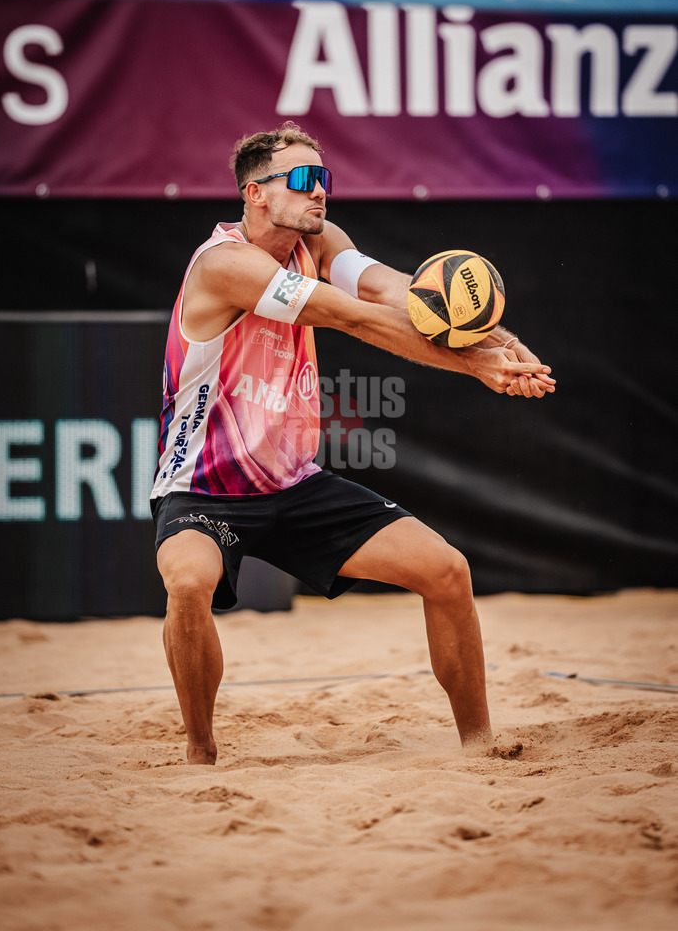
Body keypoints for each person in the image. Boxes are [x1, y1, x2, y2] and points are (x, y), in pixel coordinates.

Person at [151, 121, 556, 765]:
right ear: (256, 193)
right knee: (188, 583)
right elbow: (354, 317)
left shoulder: (318, 241)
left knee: (447, 571)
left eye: (325, 178)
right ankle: (201, 752)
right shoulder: (225, 265)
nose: (320, 191)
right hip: (204, 486)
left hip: (293, 481)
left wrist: (502, 342)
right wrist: (478, 364)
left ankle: (479, 744)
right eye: (303, 179)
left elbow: (398, 292)